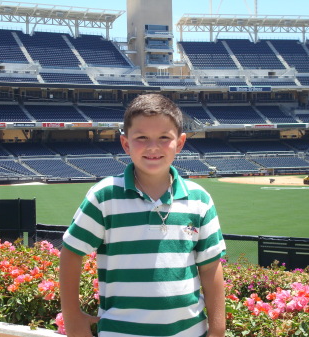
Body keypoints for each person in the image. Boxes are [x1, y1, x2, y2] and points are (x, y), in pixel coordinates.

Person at [59, 93, 226, 337]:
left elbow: (211, 267)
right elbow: (71, 254)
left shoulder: (199, 199)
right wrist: (73, 320)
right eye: (141, 138)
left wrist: (218, 329)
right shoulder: (105, 196)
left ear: (179, 143)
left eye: (164, 138)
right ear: (126, 144)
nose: (152, 147)